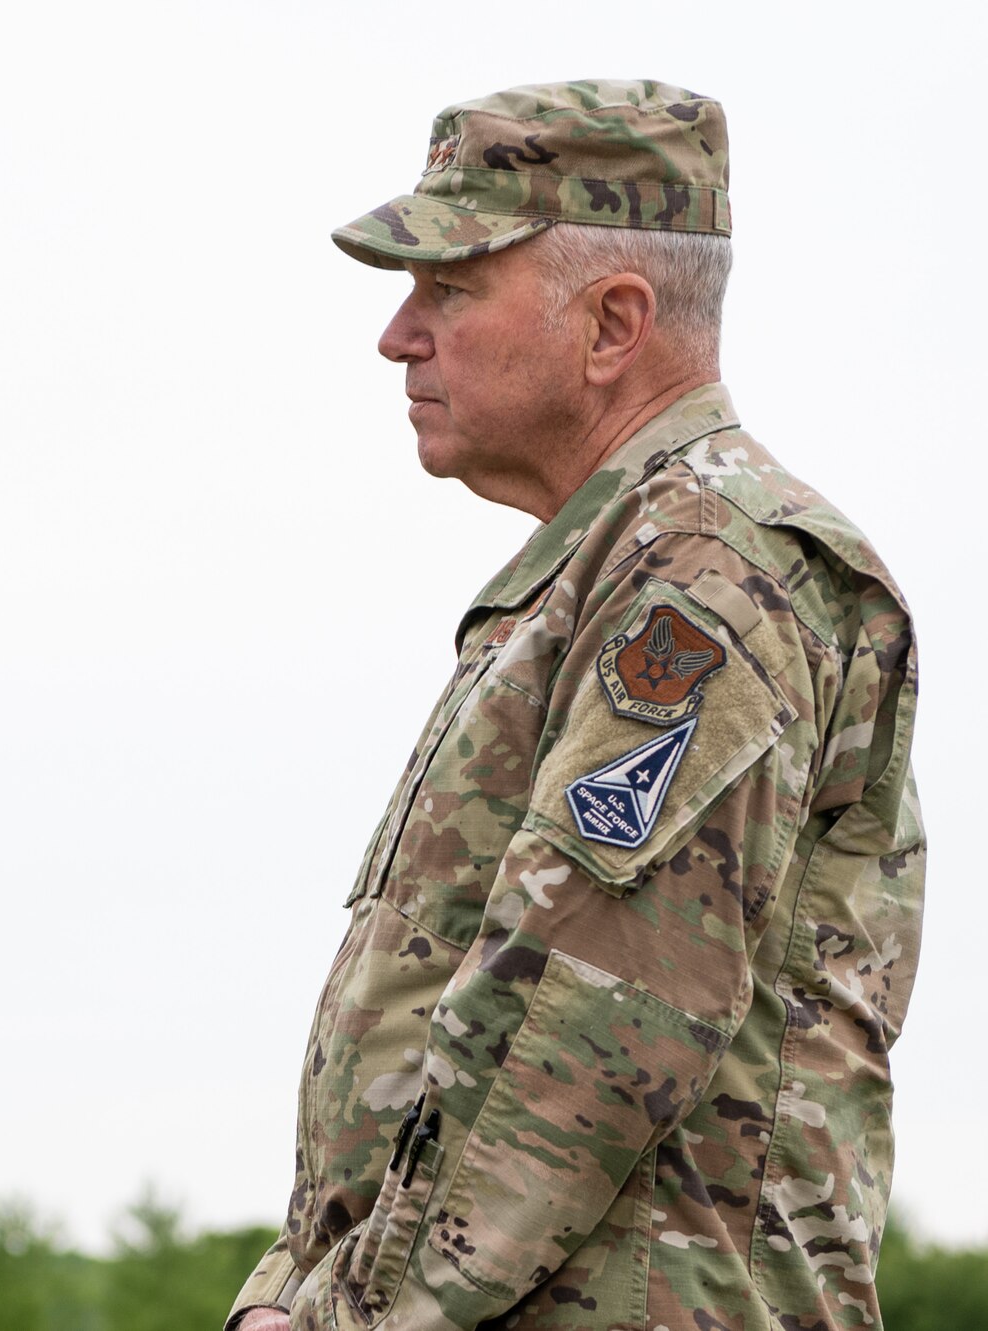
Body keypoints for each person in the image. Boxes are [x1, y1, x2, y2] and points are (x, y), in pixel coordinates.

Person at [230, 81, 923, 1331]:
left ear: (611, 324)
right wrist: (288, 1289)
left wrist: (344, 1316)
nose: (397, 334)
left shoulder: (702, 574)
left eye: (448, 288)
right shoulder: (614, 565)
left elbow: (581, 1022)